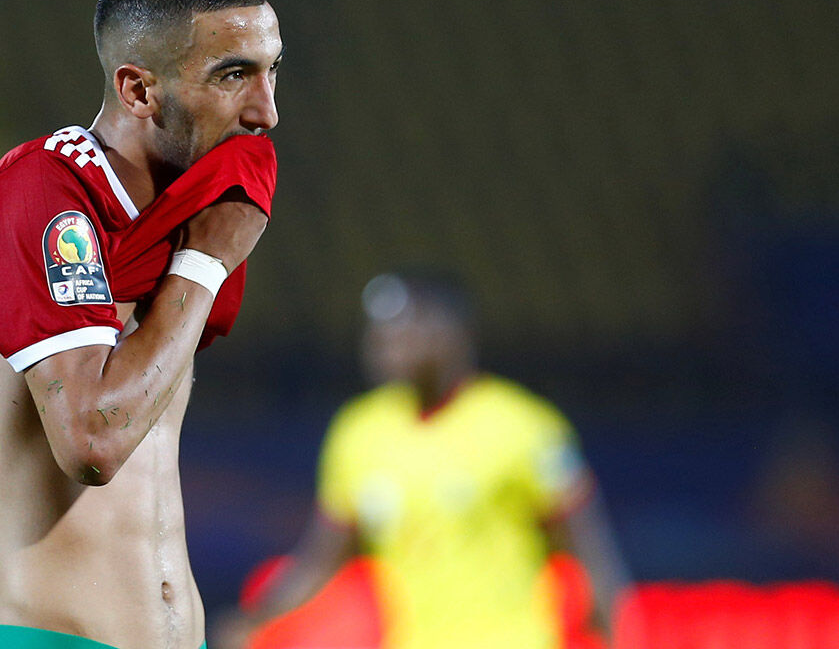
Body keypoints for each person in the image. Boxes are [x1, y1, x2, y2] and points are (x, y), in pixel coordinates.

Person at [0, 0, 282, 649]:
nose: (266, 112)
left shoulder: (177, 215)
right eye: (232, 76)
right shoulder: (41, 192)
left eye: (271, 70)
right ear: (137, 90)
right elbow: (92, 442)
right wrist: (204, 262)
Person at [217, 271, 629, 649]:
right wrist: (254, 621)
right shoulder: (359, 433)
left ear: (453, 332)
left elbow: (589, 549)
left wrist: (613, 631)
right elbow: (320, 562)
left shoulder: (521, 426)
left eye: (408, 327)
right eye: (379, 331)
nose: (387, 342)